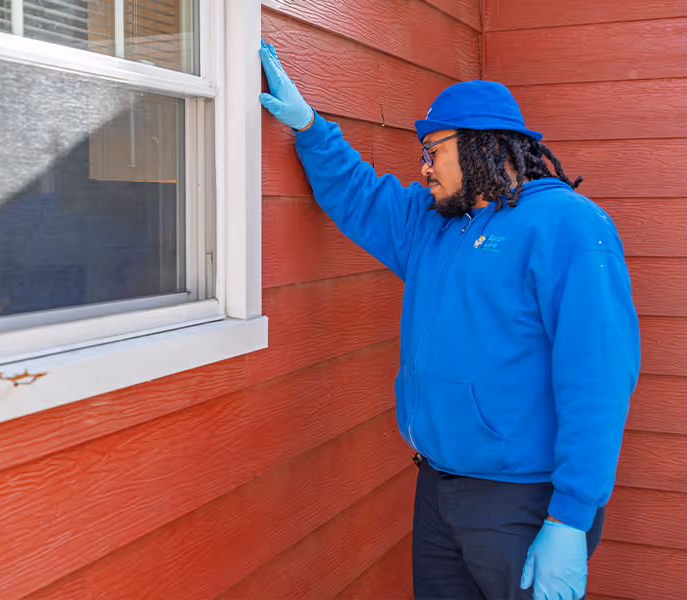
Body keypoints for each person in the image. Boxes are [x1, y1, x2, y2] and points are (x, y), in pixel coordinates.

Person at [259, 40, 640, 600]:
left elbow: (599, 377)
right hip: (438, 486)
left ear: (484, 144)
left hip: (521, 500)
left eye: (433, 149)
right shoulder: (433, 224)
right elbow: (359, 195)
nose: (424, 165)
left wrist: (570, 517)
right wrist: (309, 127)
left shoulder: (567, 226)